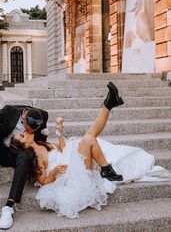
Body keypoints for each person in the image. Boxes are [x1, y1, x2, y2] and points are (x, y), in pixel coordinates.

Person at [16, 82, 171, 219]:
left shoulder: (44, 144)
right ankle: (106, 167)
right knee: (89, 138)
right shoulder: (35, 155)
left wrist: (60, 134)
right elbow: (43, 181)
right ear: (25, 146)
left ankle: (109, 105)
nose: (24, 131)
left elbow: (62, 150)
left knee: (89, 137)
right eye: (22, 136)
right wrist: (55, 171)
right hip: (71, 177)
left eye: (23, 130)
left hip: (71, 161)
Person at [0, 105, 48, 229]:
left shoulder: (43, 115)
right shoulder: (9, 111)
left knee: (26, 156)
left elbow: (42, 140)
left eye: (32, 131)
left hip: (21, 155)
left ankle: (9, 206)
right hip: (3, 151)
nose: (29, 132)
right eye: (27, 128)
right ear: (23, 119)